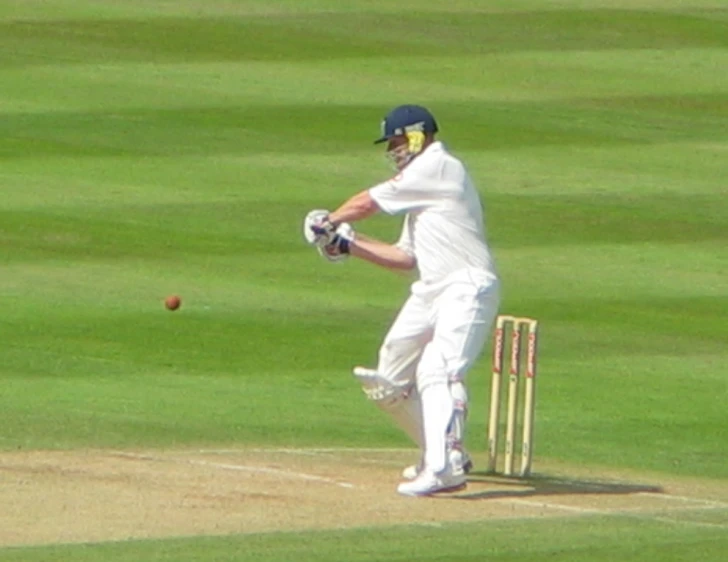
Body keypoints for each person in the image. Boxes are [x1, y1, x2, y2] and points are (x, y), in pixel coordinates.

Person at [304, 104, 500, 496]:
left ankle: (445, 471)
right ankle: (442, 454)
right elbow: (404, 259)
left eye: (396, 141)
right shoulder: (421, 192)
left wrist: (330, 221)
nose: (393, 150)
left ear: (416, 135)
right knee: (387, 380)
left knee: (436, 370)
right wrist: (347, 244)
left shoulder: (438, 166)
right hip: (432, 289)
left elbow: (366, 203)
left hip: (467, 286)